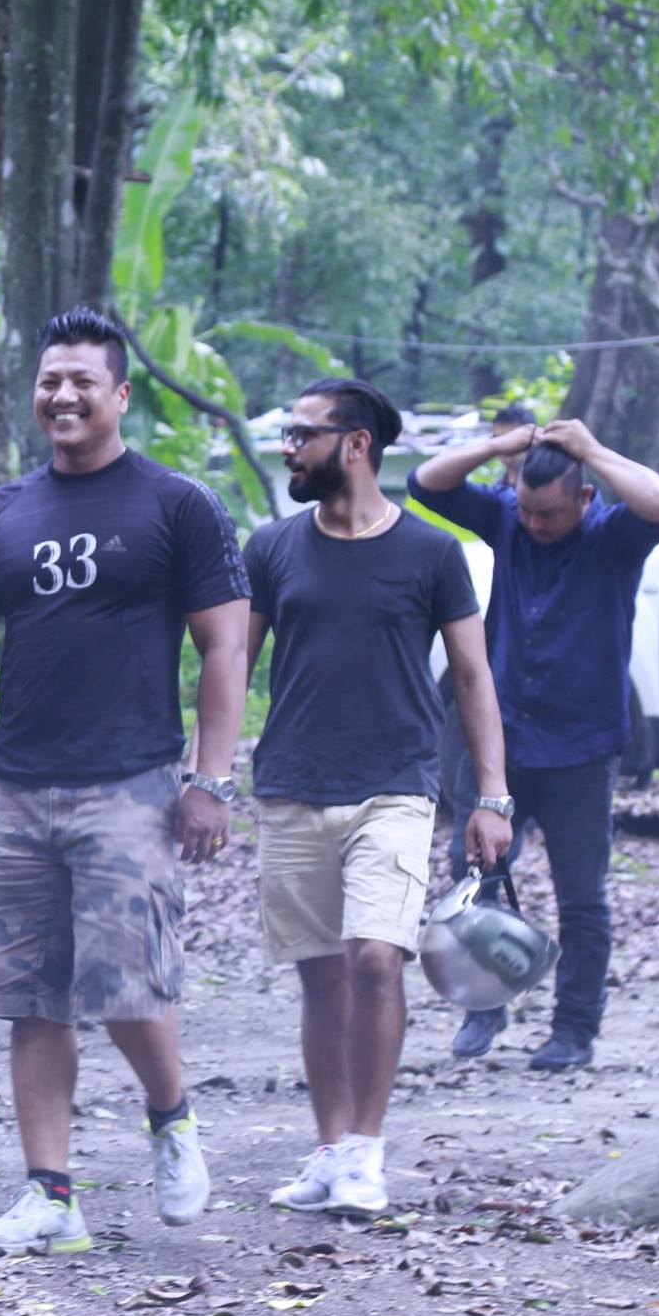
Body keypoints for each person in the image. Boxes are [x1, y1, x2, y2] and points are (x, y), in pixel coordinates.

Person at [0, 307, 249, 1256]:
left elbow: (224, 647)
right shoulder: (3, 512)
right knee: (31, 992)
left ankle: (170, 1115)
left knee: (126, 983)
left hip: (129, 780)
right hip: (16, 783)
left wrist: (212, 777)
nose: (63, 395)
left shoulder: (177, 504)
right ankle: (51, 1194)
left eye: (83, 380)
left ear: (119, 394)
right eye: (51, 380)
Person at [246, 378, 513, 1217]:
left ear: (356, 444)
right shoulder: (272, 547)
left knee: (374, 957)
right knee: (321, 975)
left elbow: (472, 676)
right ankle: (329, 1149)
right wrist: (201, 774)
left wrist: (493, 794)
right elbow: (231, 664)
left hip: (395, 785)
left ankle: (366, 1149)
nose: (289, 447)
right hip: (292, 782)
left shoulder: (432, 553)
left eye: (303, 433)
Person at [410, 419, 659, 1070]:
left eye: (550, 513)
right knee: (474, 870)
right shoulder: (508, 520)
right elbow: (425, 483)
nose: (535, 523)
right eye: (527, 510)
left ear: (583, 498)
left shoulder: (613, 536)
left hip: (581, 748)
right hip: (499, 741)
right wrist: (500, 446)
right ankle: (485, 1001)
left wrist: (592, 449)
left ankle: (575, 1028)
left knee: (581, 895)